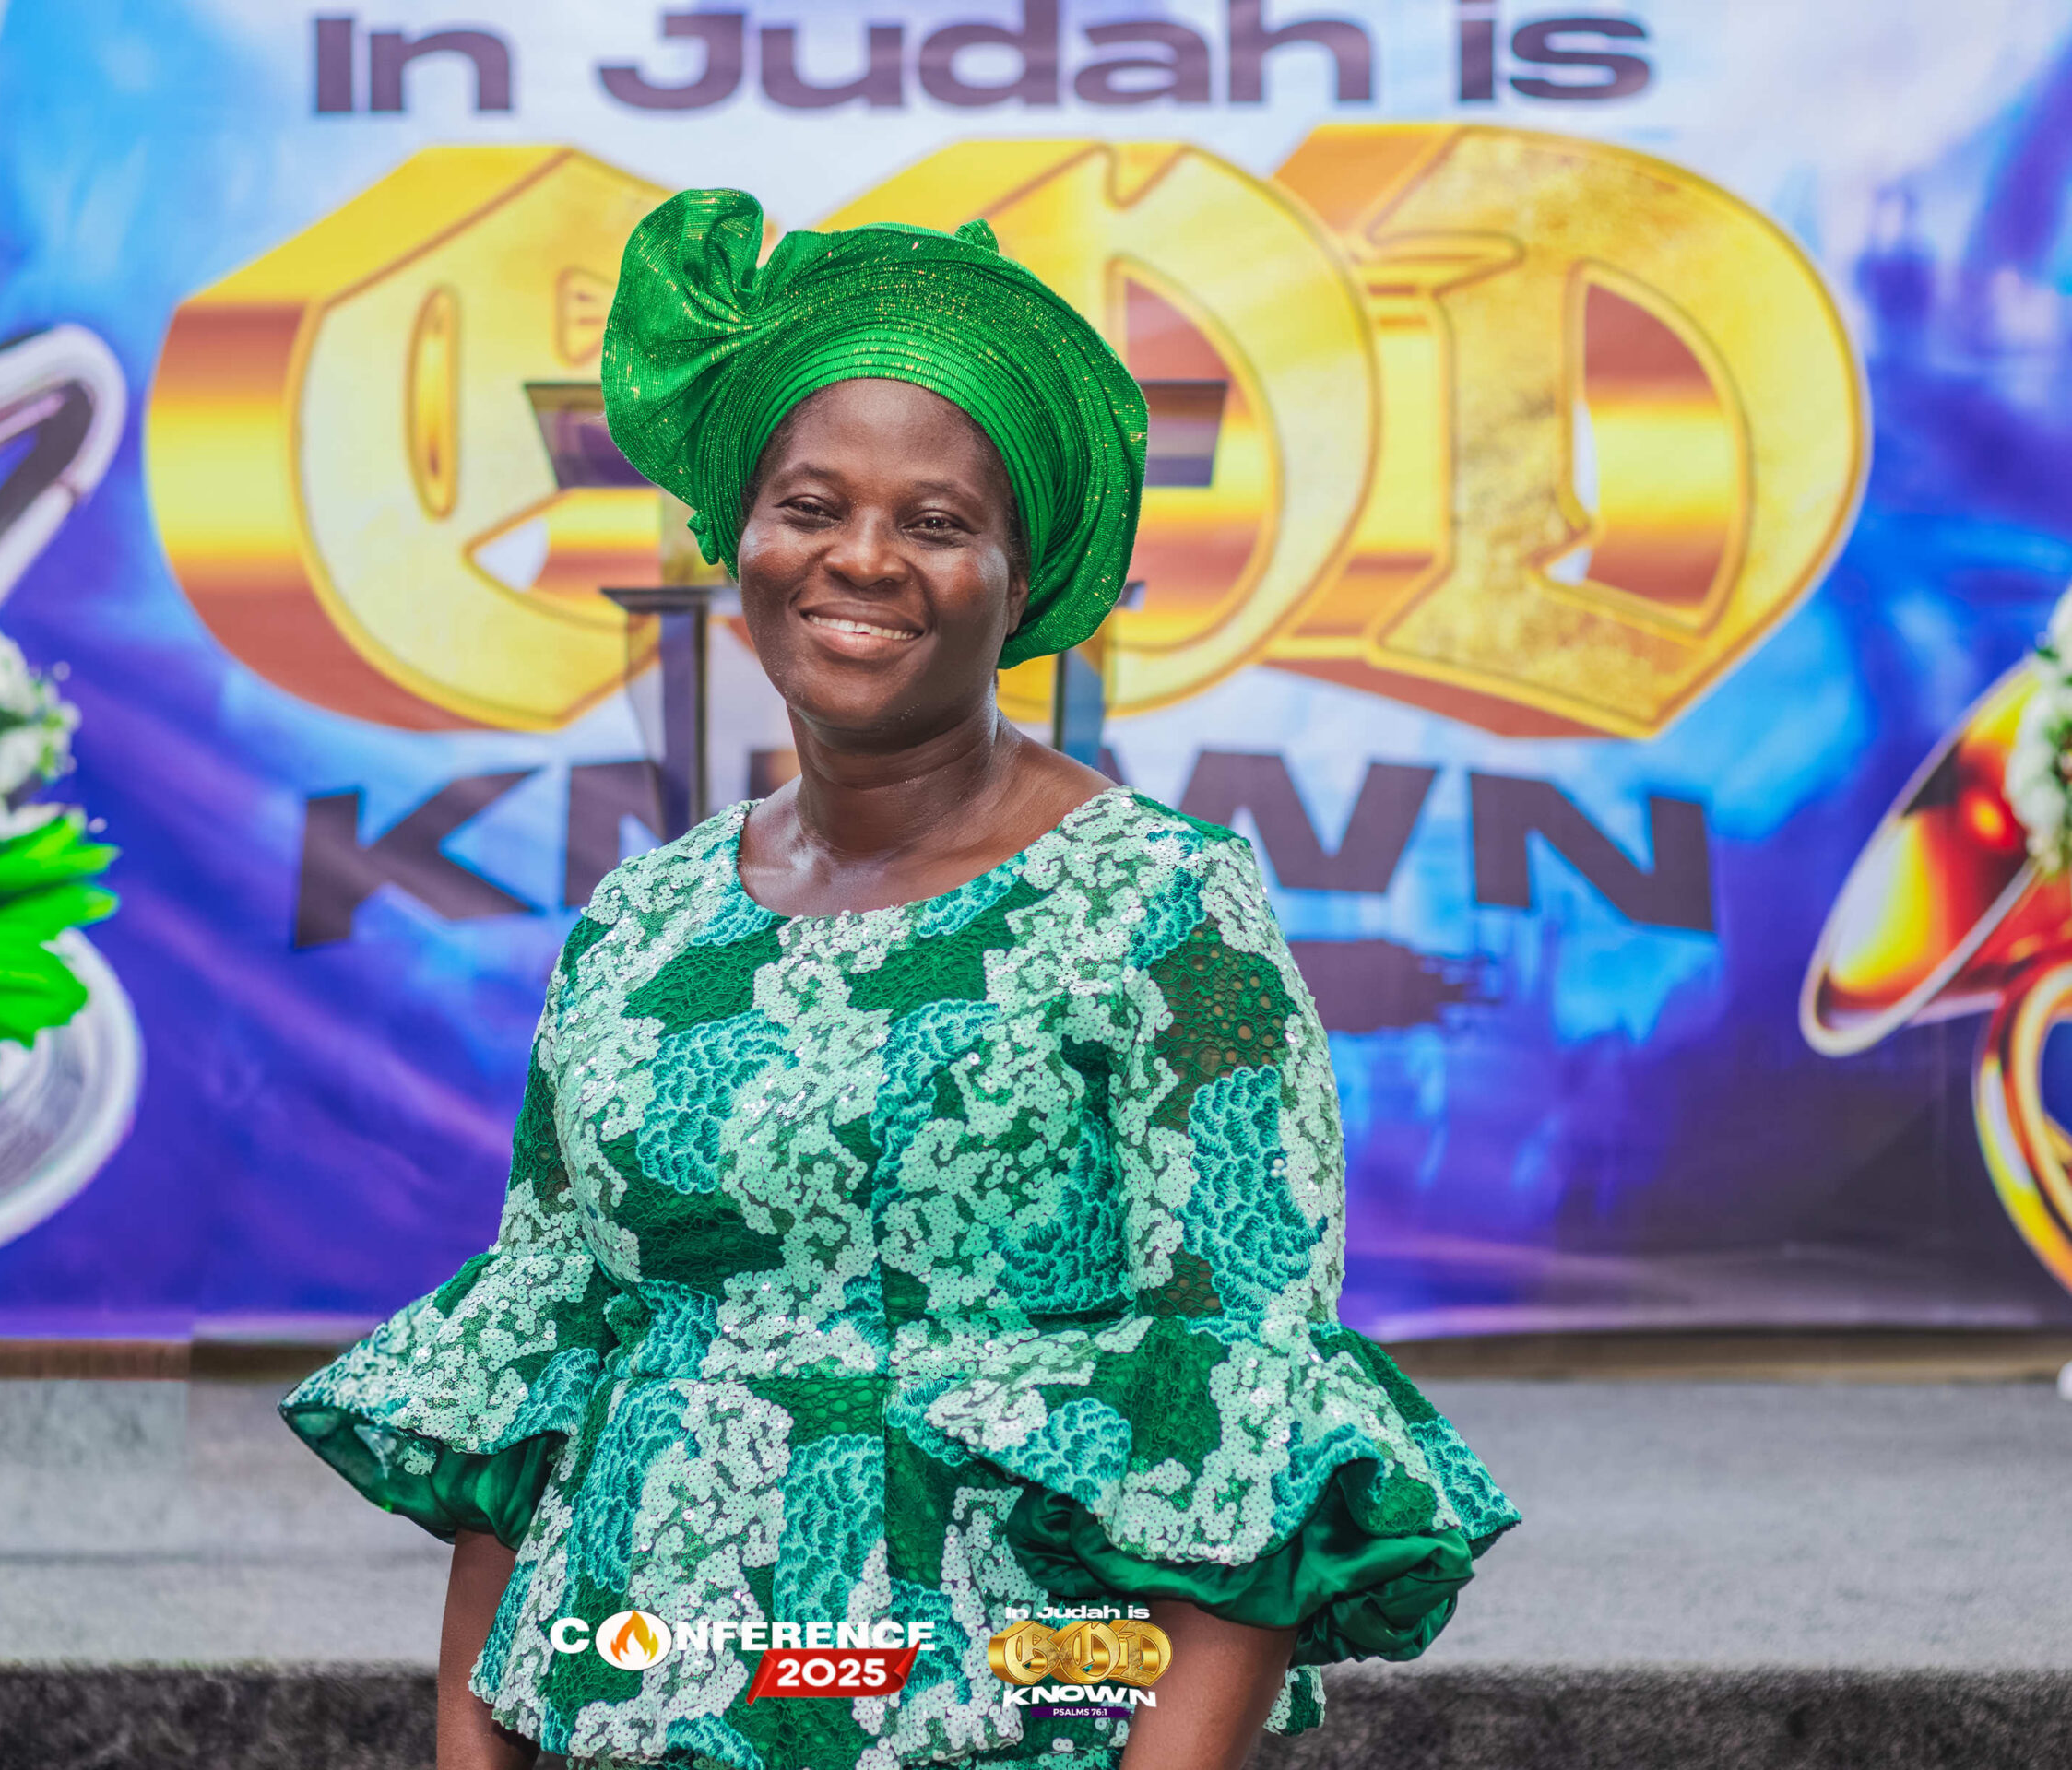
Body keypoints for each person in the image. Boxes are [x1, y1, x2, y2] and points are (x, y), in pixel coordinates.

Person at [281, 187, 1517, 1770]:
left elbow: (1244, 1416)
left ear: (1021, 577)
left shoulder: (1164, 911)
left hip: (1006, 1724)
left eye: (936, 524)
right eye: (811, 504)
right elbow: (536, 1384)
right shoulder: (643, 926)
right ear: (738, 534)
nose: (860, 559)